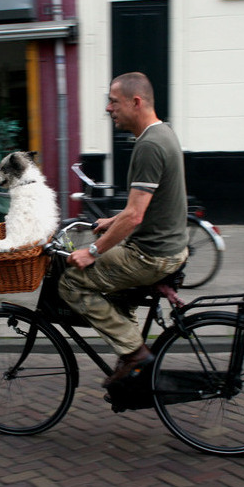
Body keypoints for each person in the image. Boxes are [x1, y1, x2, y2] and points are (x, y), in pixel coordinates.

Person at [58, 72, 189, 388]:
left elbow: (134, 216)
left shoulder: (149, 146)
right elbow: (136, 211)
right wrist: (110, 223)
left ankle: (135, 356)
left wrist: (91, 252)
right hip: (168, 247)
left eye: (113, 101)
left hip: (151, 255)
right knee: (114, 293)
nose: (108, 108)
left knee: (71, 282)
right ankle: (133, 367)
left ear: (136, 102)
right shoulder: (162, 134)